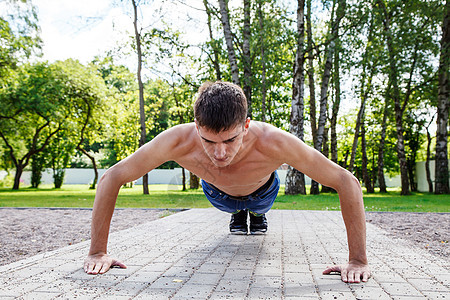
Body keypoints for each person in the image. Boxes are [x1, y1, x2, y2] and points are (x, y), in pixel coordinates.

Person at [84, 81, 371, 283]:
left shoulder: (274, 142)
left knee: (256, 208)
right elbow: (113, 177)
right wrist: (97, 252)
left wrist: (358, 260)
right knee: (231, 202)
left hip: (263, 191)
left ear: (245, 126)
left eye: (230, 139)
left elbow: (346, 181)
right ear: (197, 126)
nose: (219, 153)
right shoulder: (177, 140)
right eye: (208, 141)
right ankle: (238, 213)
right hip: (217, 194)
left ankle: (255, 215)